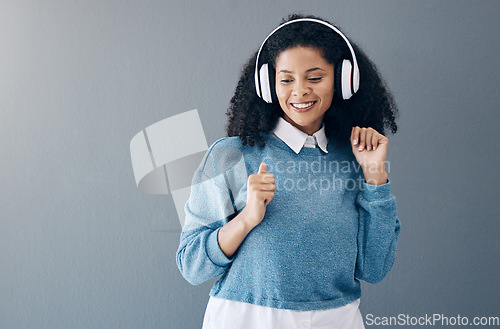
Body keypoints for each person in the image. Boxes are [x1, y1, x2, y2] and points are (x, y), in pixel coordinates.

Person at [176, 14, 401, 329]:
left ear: (344, 79)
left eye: (315, 77)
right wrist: (246, 219)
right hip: (247, 319)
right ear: (268, 85)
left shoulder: (357, 158)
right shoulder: (229, 155)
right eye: (286, 79)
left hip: (336, 319)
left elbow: (374, 268)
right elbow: (192, 265)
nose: (300, 91)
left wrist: (375, 177)